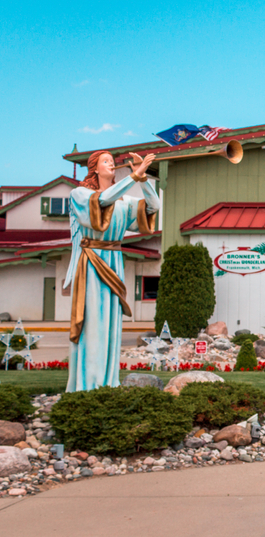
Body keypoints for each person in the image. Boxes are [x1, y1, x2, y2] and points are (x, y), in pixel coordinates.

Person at [67, 150, 159, 392]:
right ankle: (88, 385)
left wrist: (144, 177)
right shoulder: (79, 194)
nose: (111, 165)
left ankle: (108, 382)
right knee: (94, 323)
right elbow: (101, 202)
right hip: (92, 262)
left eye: (112, 161)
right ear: (94, 168)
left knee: (111, 324)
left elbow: (154, 206)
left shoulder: (124, 200)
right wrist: (133, 177)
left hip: (114, 260)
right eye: (105, 161)